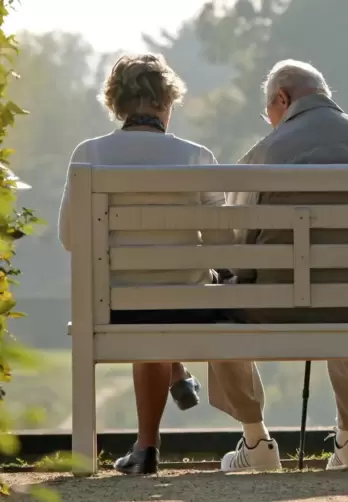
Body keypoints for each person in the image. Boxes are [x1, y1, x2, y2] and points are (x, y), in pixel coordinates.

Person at [215, 59, 348, 472]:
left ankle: (255, 441)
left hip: (276, 306)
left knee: (217, 304)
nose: (271, 123)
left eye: (270, 112)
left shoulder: (264, 153)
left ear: (281, 99)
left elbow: (237, 250)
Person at [58, 53, 235, 474]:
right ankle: (164, 399)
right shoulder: (196, 156)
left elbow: (70, 238)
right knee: (169, 297)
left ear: (117, 103)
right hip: (185, 303)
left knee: (144, 301)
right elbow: (223, 245)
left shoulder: (89, 155)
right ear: (165, 101)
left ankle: (147, 446)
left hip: (115, 304)